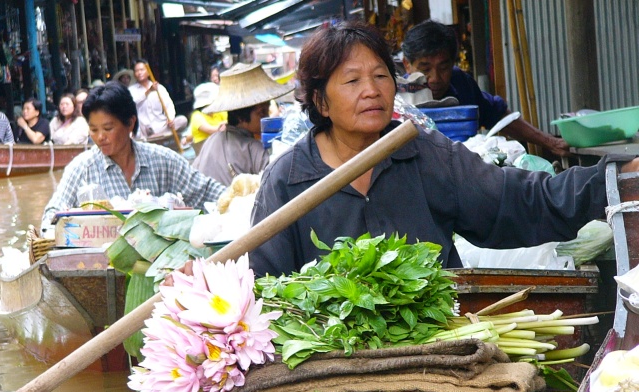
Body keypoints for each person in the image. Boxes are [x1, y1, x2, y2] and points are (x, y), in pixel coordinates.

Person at [248, 21, 639, 278]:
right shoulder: (287, 181)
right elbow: (266, 290)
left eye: (381, 75)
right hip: (331, 369)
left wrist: (616, 178)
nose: (372, 90)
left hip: (437, 355)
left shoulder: (427, 156)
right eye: (352, 81)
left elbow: (521, 200)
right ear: (320, 102)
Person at [41, 81, 226, 231]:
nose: (100, 137)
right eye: (93, 129)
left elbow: (211, 193)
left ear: (130, 123)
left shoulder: (164, 161)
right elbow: (51, 214)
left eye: (107, 128)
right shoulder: (82, 168)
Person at [401, 19, 570, 159]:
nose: (435, 78)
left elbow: (498, 116)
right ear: (407, 65)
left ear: (453, 63)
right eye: (425, 68)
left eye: (444, 67)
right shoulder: (395, 98)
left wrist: (550, 142)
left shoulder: (461, 82)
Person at [192, 63, 293, 186]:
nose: (266, 118)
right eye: (262, 113)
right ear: (240, 117)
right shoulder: (254, 149)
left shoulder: (212, 140)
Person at [128, 59, 187, 138]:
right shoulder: (131, 90)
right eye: (136, 71)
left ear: (148, 72)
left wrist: (170, 119)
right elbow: (133, 102)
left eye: (142, 70)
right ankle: (157, 137)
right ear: (134, 74)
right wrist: (149, 91)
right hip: (143, 130)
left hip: (160, 126)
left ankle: (156, 137)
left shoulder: (159, 88)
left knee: (182, 120)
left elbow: (169, 105)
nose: (139, 73)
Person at [187, 82, 227, 155]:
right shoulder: (196, 116)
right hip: (205, 154)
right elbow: (210, 130)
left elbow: (231, 122)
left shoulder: (220, 111)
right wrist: (222, 126)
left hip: (223, 149)